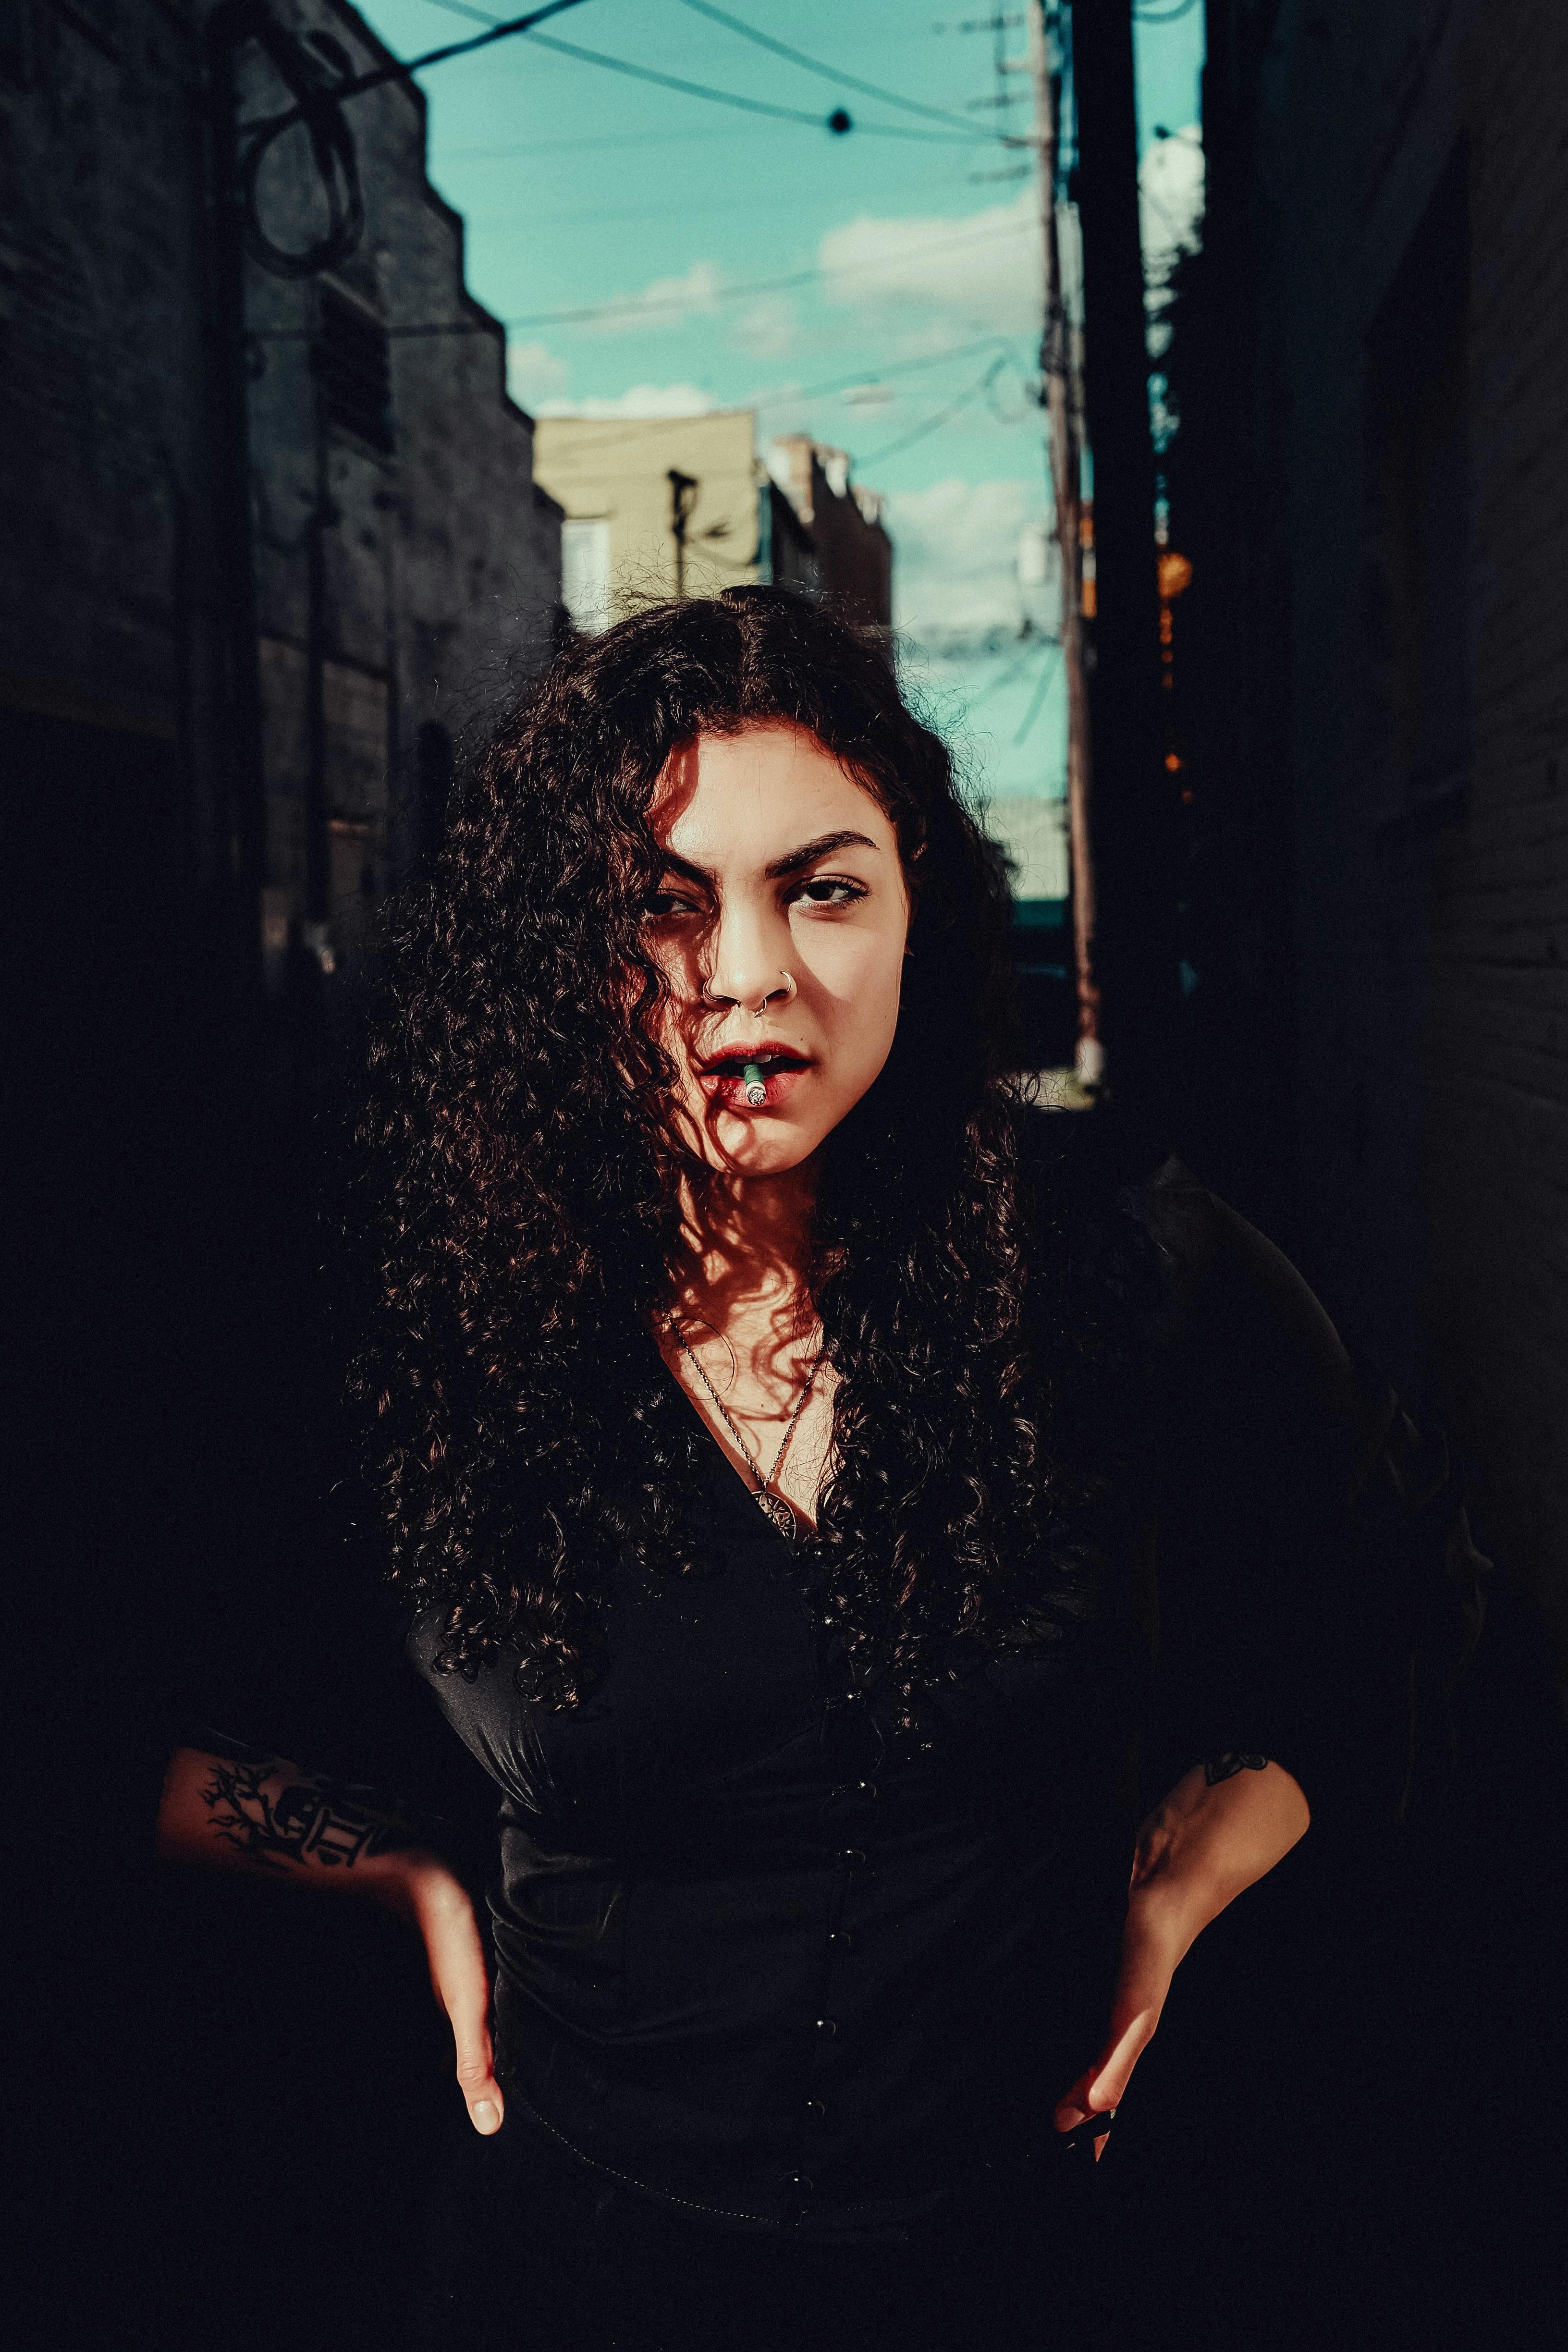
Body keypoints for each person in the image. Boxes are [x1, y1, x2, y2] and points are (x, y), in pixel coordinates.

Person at [156, 588, 1483, 2351]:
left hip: (1050, 2267)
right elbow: (132, 1732)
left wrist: (1188, 1868)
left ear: (922, 901)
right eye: (665, 903)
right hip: (576, 2276)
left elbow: (1397, 1605)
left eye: (824, 886)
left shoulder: (1125, 1276)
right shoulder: (428, 1331)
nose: (751, 972)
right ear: (573, 946)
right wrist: (401, 1864)